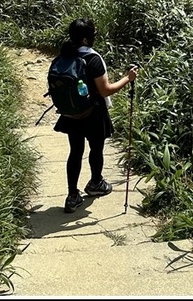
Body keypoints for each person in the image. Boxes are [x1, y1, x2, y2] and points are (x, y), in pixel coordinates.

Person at [52, 17, 138, 213]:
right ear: (85, 39)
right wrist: (128, 78)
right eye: (93, 35)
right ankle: (96, 183)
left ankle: (72, 196)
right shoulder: (93, 59)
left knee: (75, 152)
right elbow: (105, 90)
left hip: (71, 114)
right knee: (96, 149)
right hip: (93, 113)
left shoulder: (64, 55)